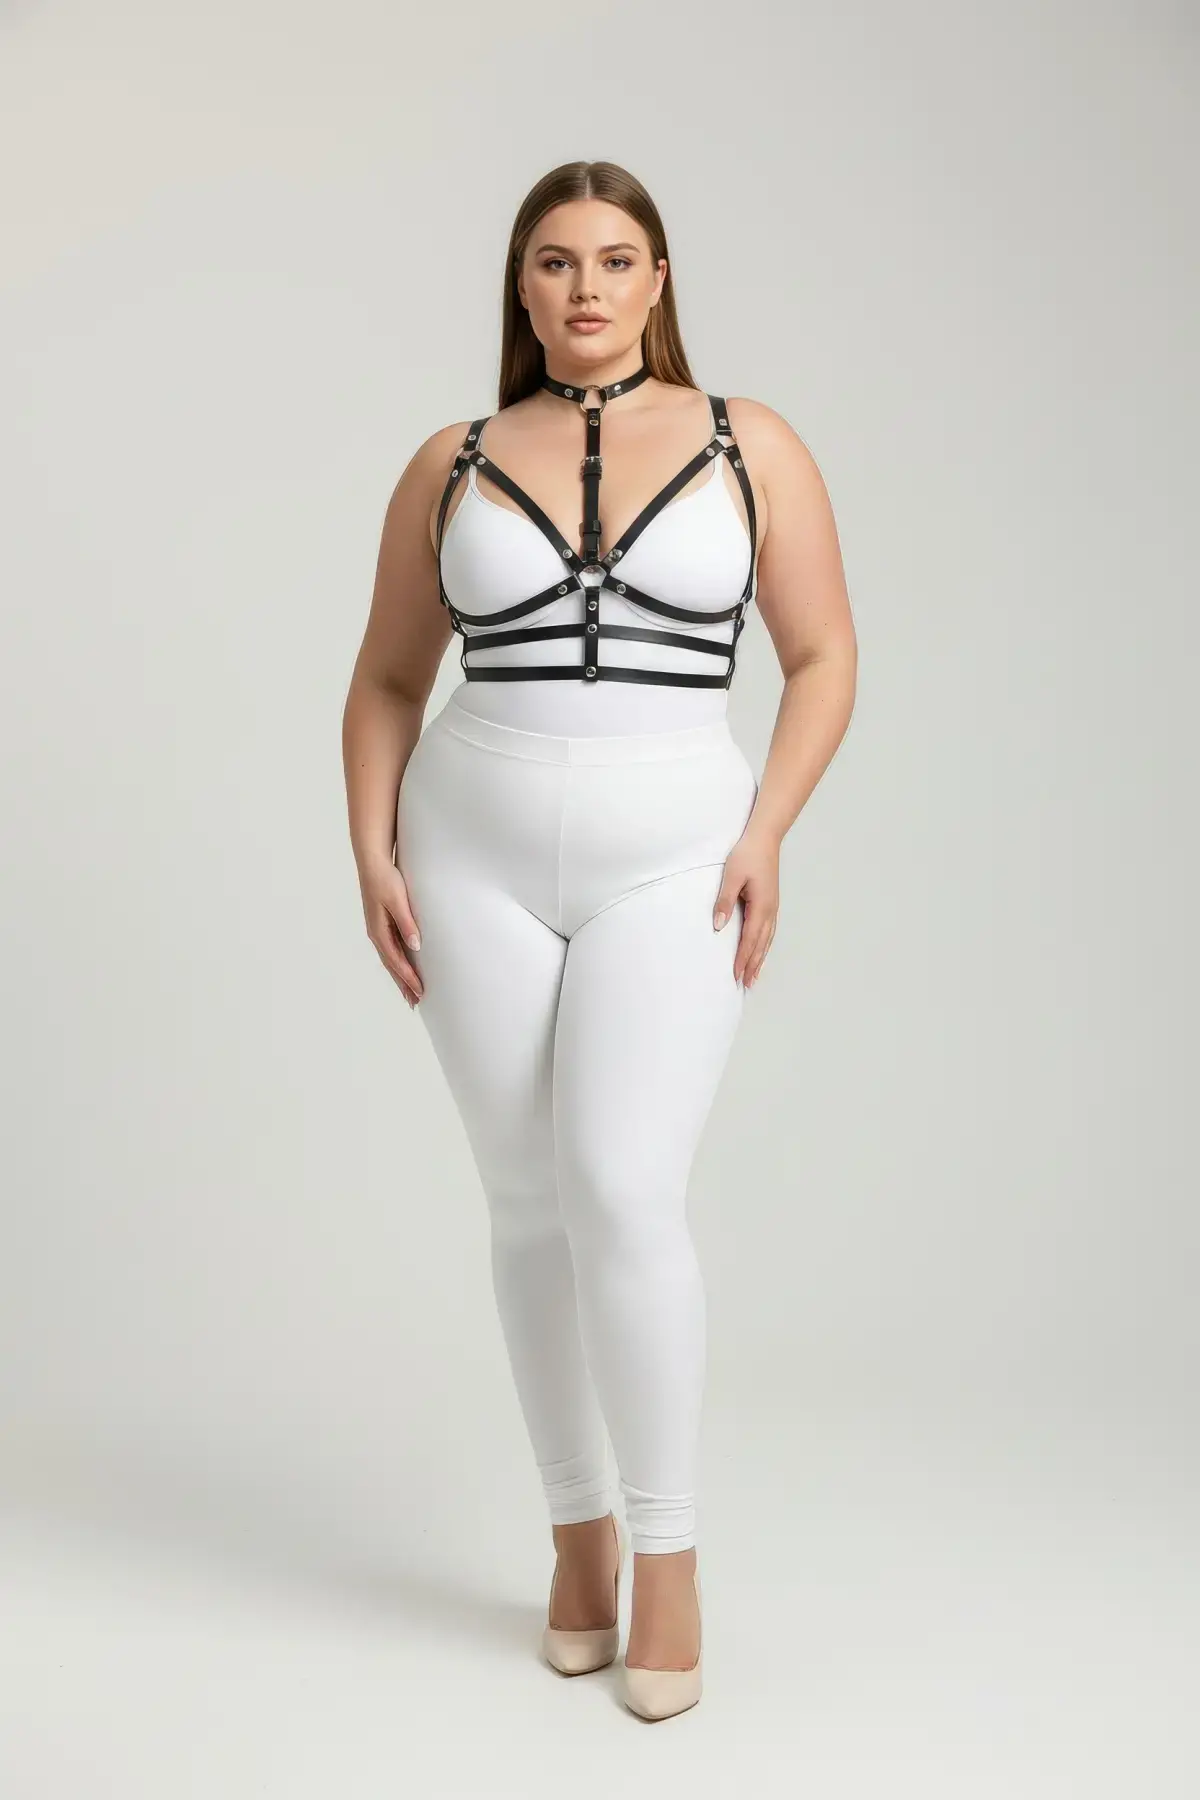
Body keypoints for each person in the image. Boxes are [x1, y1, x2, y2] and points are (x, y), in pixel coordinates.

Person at [341, 159, 856, 1721]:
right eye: (557, 260)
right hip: (469, 847)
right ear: (522, 283)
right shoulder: (447, 460)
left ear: (658, 279)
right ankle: (578, 1539)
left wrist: (767, 829)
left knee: (624, 1185)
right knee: (525, 1198)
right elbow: (387, 679)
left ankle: (669, 1556)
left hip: (678, 850)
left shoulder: (750, 442)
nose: (586, 286)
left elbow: (824, 654)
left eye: (616, 259)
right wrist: (369, 845)